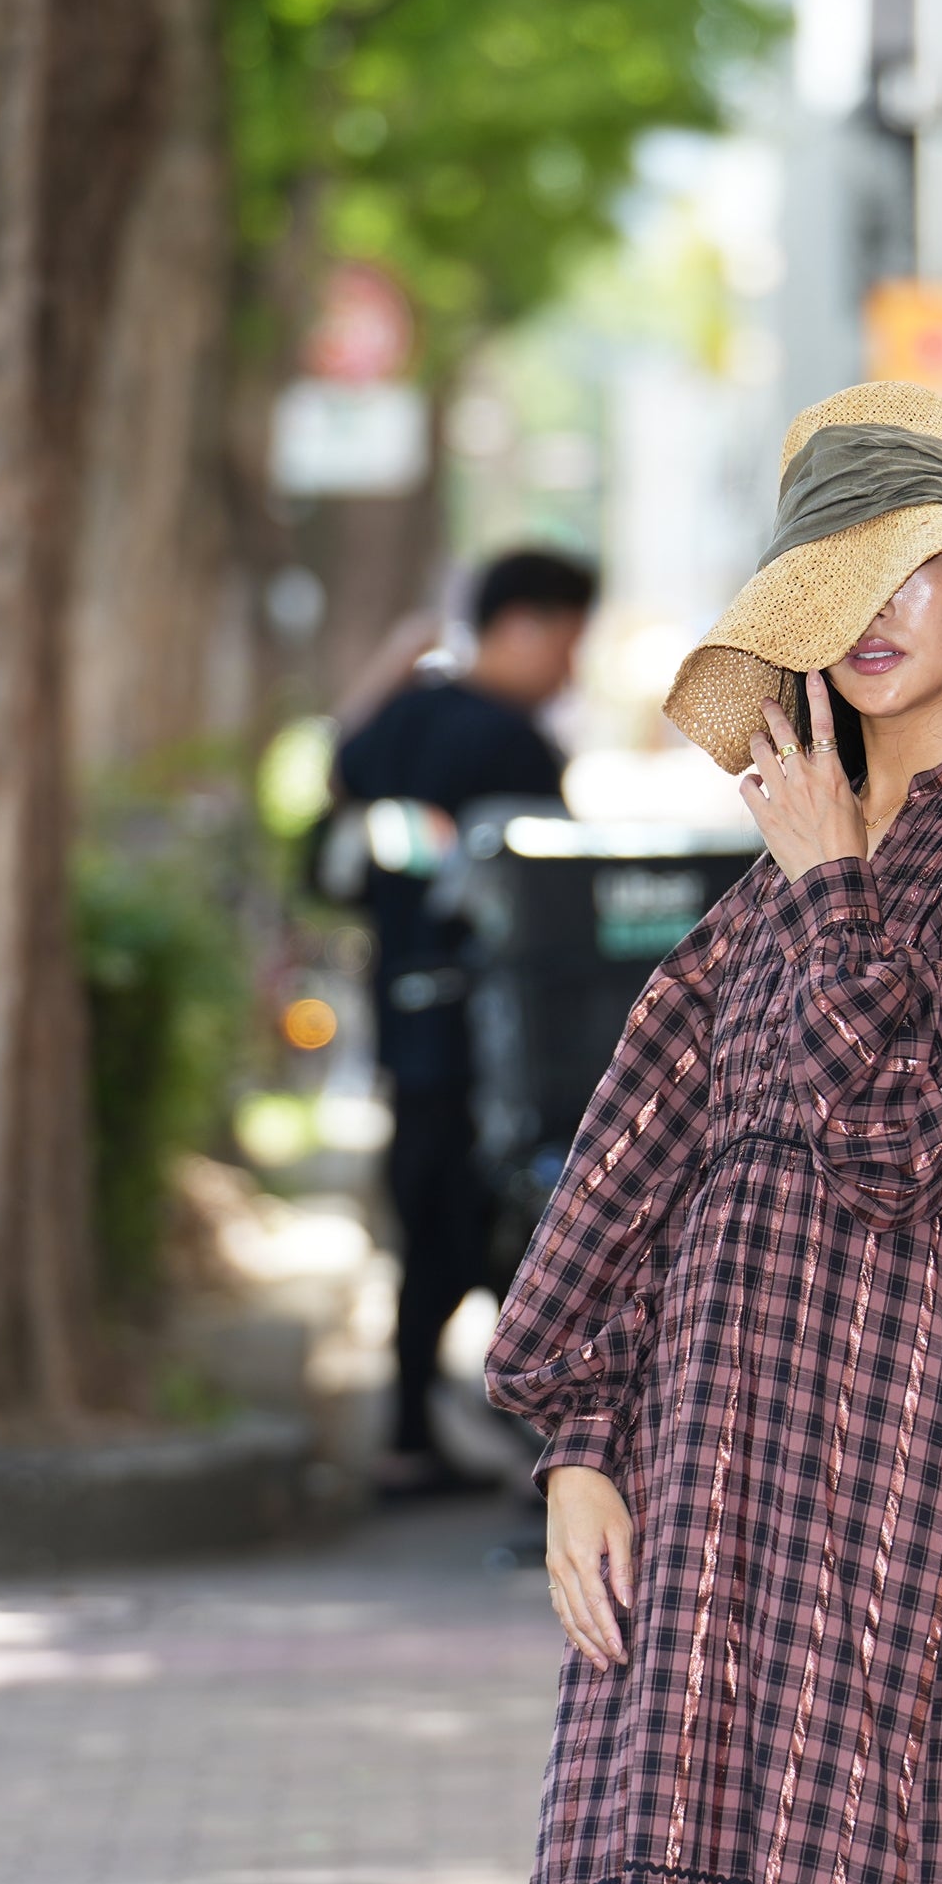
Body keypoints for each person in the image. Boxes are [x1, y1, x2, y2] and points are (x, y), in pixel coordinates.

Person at [484, 381, 942, 1884]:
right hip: (699, 1476)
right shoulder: (771, 884)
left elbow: (911, 1145)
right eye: (830, 578)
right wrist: (582, 1449)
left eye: (908, 564)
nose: (870, 612)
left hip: (903, 1492)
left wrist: (837, 877)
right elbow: (633, 1173)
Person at [335, 547, 599, 1499]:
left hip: (405, 1021)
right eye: (567, 644)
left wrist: (397, 665)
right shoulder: (512, 745)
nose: (569, 670)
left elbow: (341, 771)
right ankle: (541, 1437)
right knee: (496, 1227)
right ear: (522, 625)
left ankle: (413, 1431)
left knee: (429, 1223)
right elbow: (548, 900)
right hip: (491, 1039)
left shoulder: (403, 719)